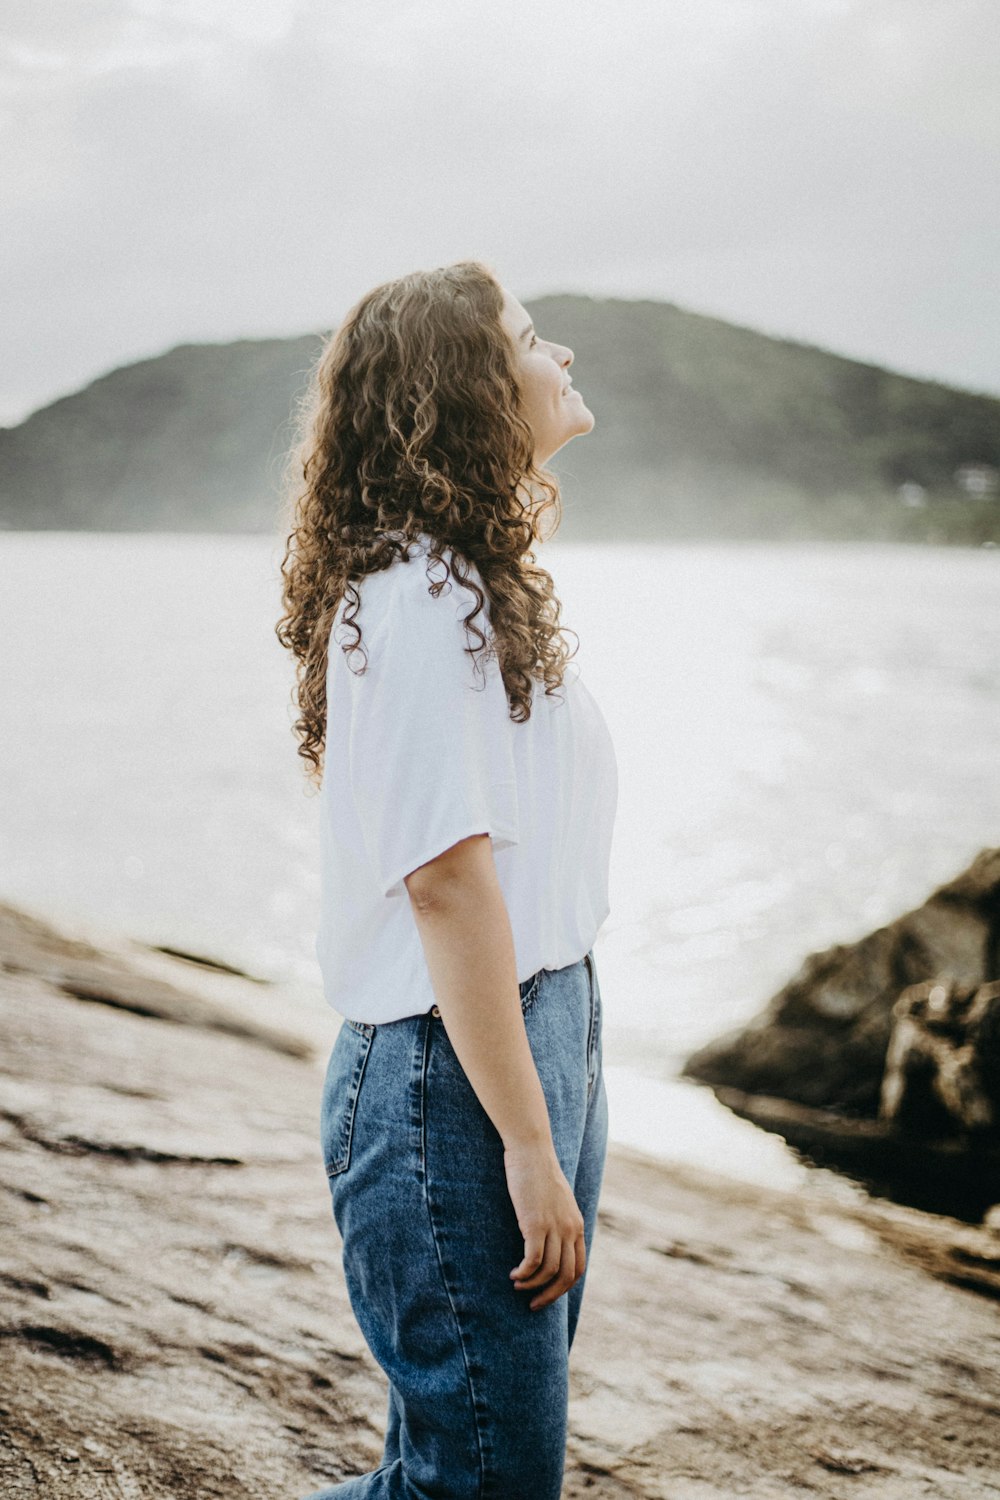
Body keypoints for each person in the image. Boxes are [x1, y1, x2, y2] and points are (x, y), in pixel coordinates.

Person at [276, 260, 618, 1499]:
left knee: (464, 1462)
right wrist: (527, 1140)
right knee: (480, 1481)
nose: (561, 355)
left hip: (538, 1029)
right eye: (533, 338)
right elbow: (446, 885)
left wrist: (553, 1099)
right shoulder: (416, 598)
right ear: (469, 389)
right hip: (448, 1073)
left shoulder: (470, 587)